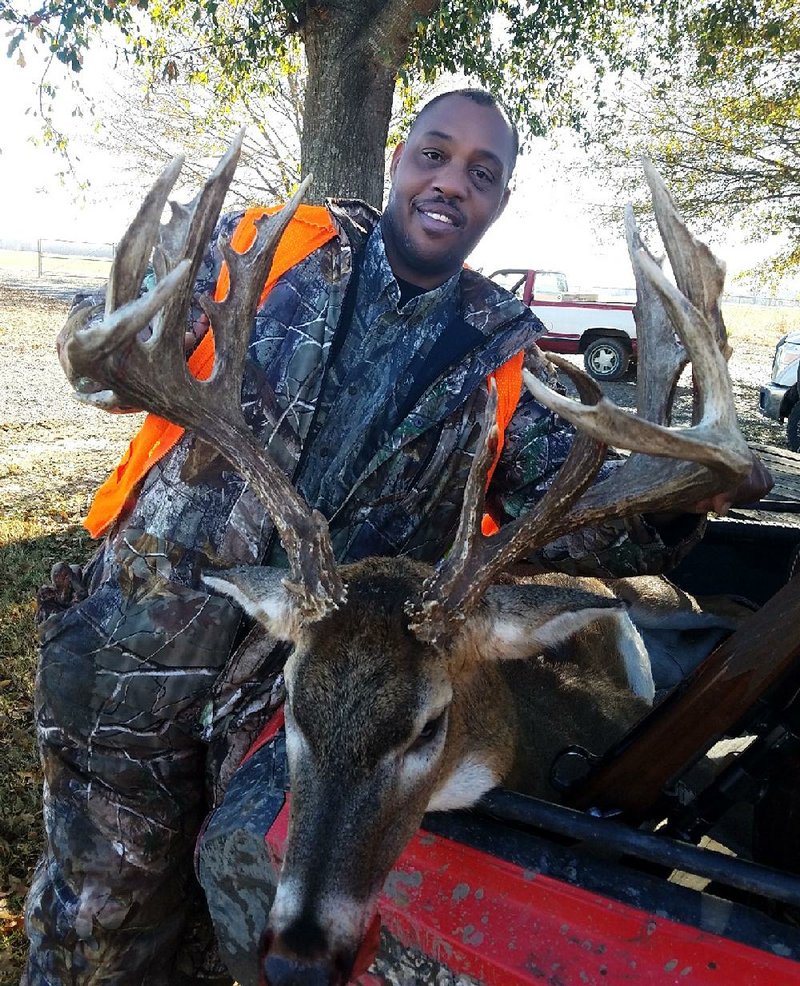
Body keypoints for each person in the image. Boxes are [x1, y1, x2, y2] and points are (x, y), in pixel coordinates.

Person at [22, 88, 771, 986]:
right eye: (436, 152)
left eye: (481, 173)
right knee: (99, 931)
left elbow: (609, 527)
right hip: (138, 654)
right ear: (398, 158)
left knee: (248, 890)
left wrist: (689, 489)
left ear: (498, 202)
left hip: (319, 695)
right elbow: (127, 321)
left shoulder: (505, 360)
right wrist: (106, 344)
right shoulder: (274, 246)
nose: (452, 181)